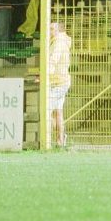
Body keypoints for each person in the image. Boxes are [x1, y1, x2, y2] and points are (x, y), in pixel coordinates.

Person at [47, 19, 72, 147]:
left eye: (52, 29)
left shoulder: (58, 43)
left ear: (58, 30)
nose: (49, 31)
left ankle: (48, 140)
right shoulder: (61, 42)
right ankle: (60, 140)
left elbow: (53, 61)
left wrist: (45, 75)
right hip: (62, 80)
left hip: (57, 81)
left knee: (48, 110)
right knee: (58, 112)